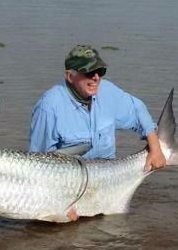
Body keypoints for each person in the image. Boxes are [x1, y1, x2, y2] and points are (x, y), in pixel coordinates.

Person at [29, 43, 166, 171]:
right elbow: (38, 166)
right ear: (70, 76)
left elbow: (138, 111)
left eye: (100, 71)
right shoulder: (48, 108)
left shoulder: (108, 92)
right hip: (71, 183)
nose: (96, 78)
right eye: (88, 72)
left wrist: (156, 148)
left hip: (110, 176)